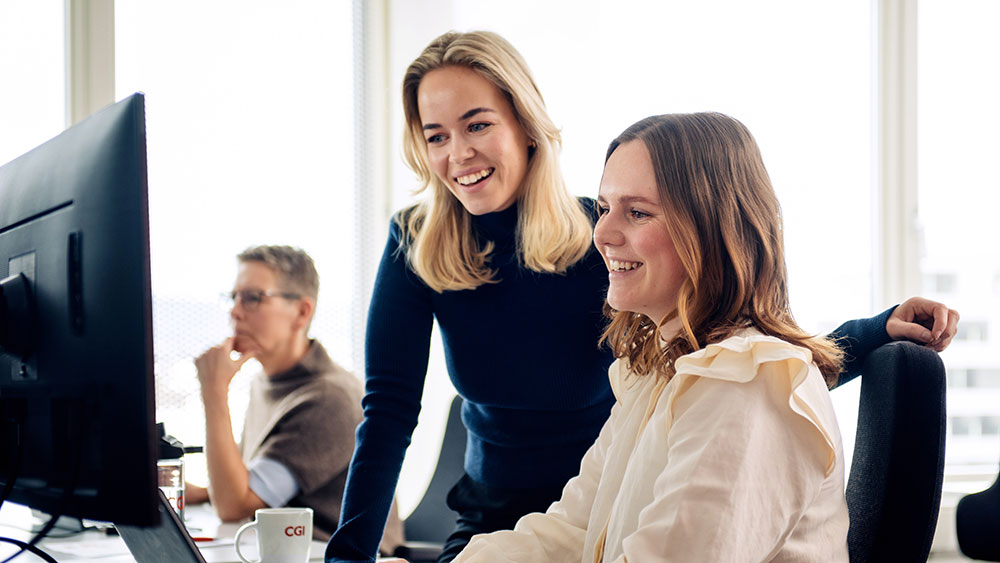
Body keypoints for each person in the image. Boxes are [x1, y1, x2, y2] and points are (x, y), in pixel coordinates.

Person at [325, 31, 959, 563]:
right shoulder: (648, 368)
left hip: (624, 509)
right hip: (548, 518)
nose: (604, 235)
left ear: (525, 125)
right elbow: (392, 415)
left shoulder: (727, 375)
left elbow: (756, 365)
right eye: (435, 136)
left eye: (478, 124)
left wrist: (875, 330)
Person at [185, 245, 403, 554]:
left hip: (336, 555)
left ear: (301, 312)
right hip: (286, 550)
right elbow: (254, 485)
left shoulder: (328, 398)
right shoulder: (268, 382)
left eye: (252, 298)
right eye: (233, 297)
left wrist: (214, 393)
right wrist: (204, 492)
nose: (234, 311)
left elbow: (234, 505)